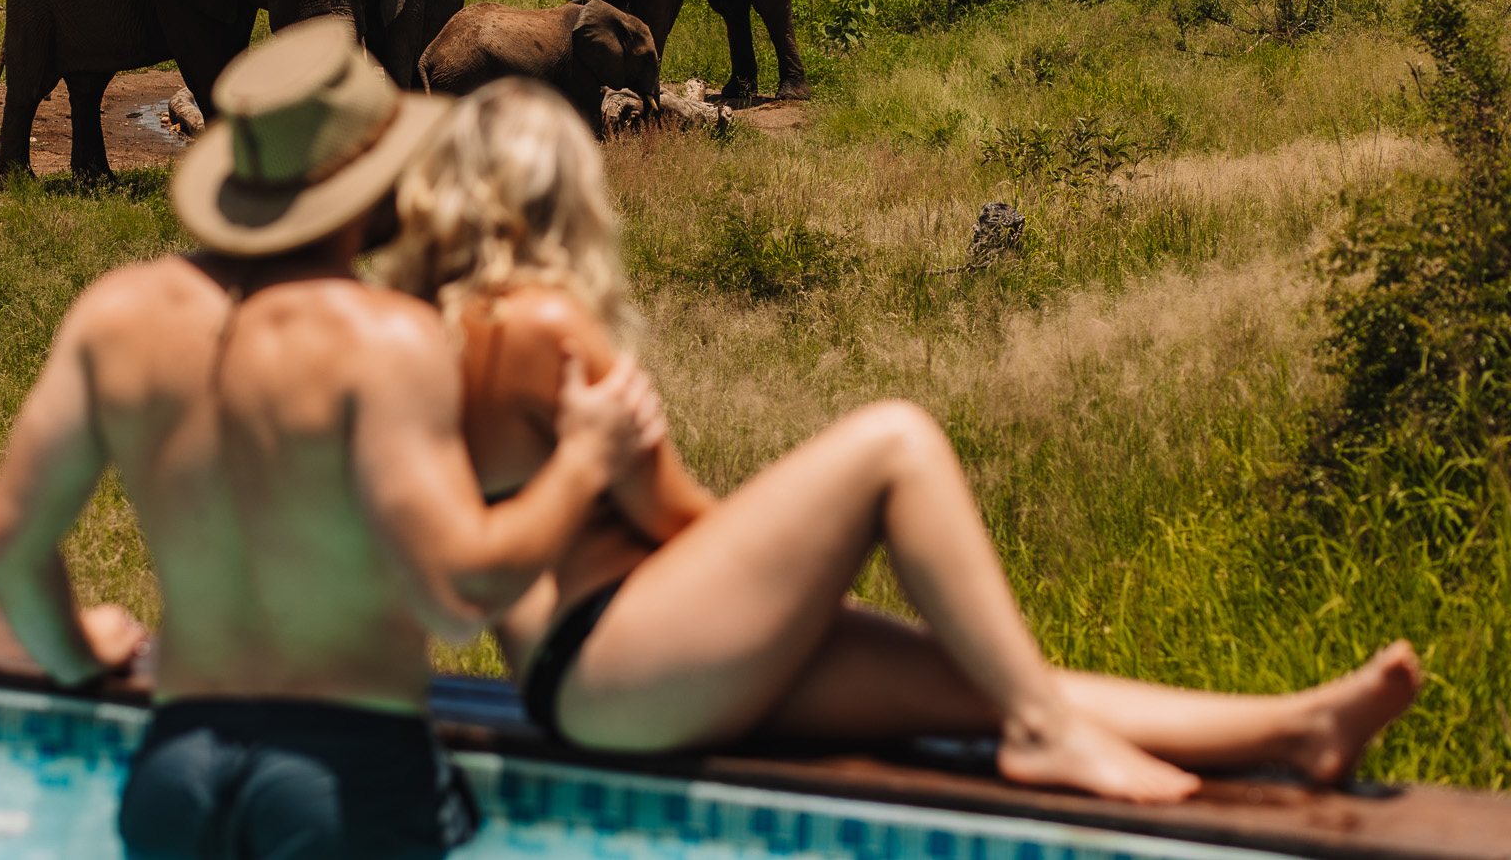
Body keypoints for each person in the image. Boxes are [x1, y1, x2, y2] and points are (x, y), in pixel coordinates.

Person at [381, 77, 1424, 806]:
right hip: (627, 659)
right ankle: (1048, 734)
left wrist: (766, 588)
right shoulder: (544, 322)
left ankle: (1295, 727)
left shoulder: (431, 341)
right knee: (894, 440)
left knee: (982, 678)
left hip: (584, 678)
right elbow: (676, 516)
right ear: (560, 192)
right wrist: (795, 562)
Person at [0, 20, 665, 860]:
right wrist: (584, 458)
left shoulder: (116, 313)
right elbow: (458, 592)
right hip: (345, 772)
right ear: (370, 186)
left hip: (175, 769)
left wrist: (79, 655)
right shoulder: (386, 337)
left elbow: (8, 543)